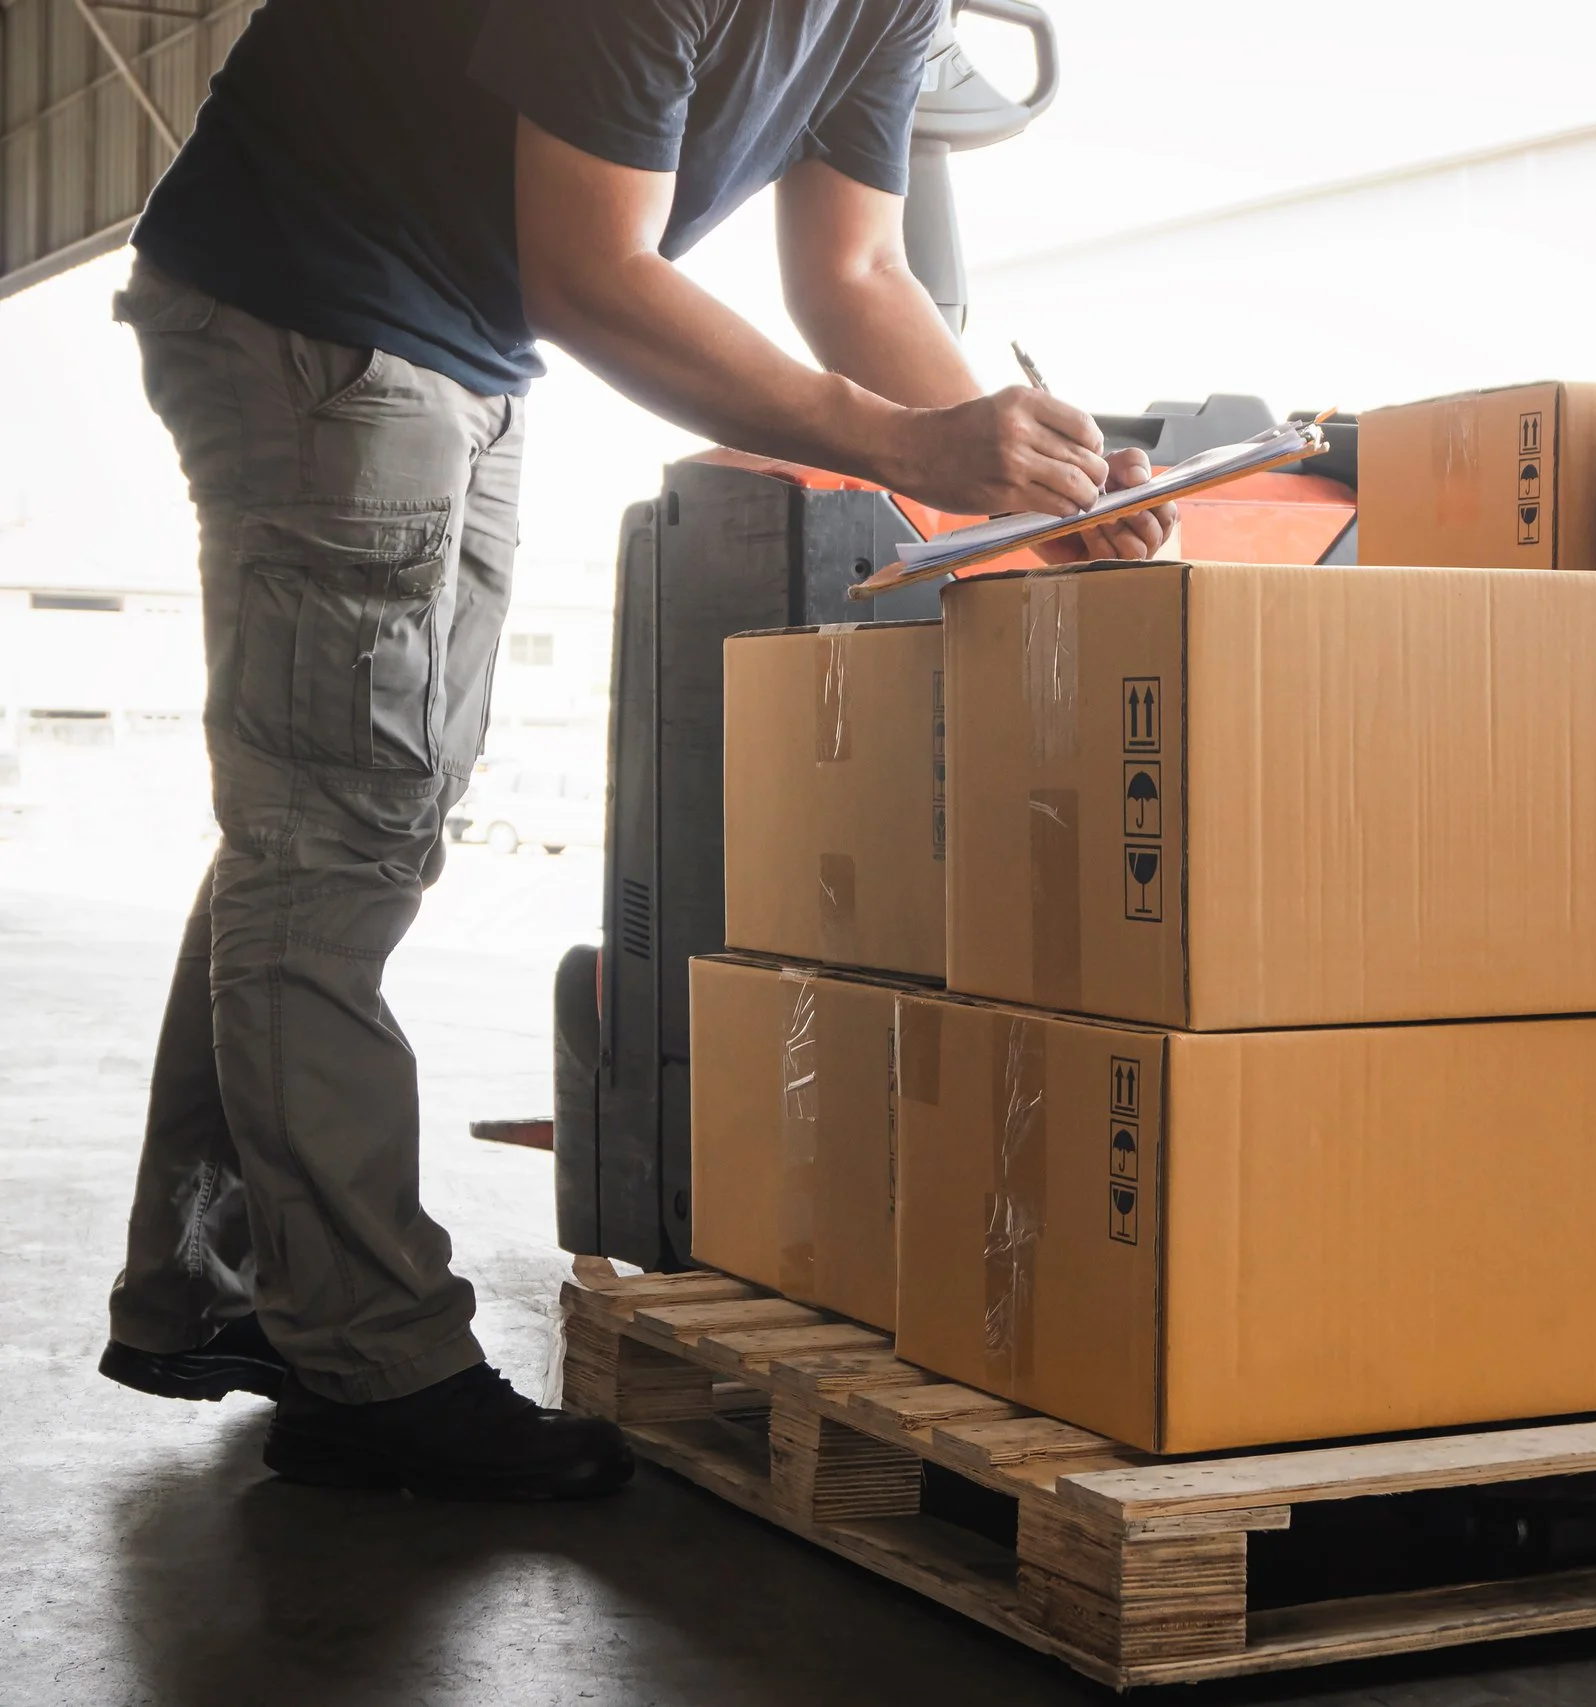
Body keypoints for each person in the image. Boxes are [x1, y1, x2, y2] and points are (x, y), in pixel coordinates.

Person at [94, 0, 1174, 1502]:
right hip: (314, 304)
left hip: (456, 335)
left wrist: (1036, 484)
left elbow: (854, 270)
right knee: (337, 837)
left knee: (330, 816)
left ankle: (213, 1276)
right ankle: (370, 1365)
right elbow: (593, 269)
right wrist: (908, 447)